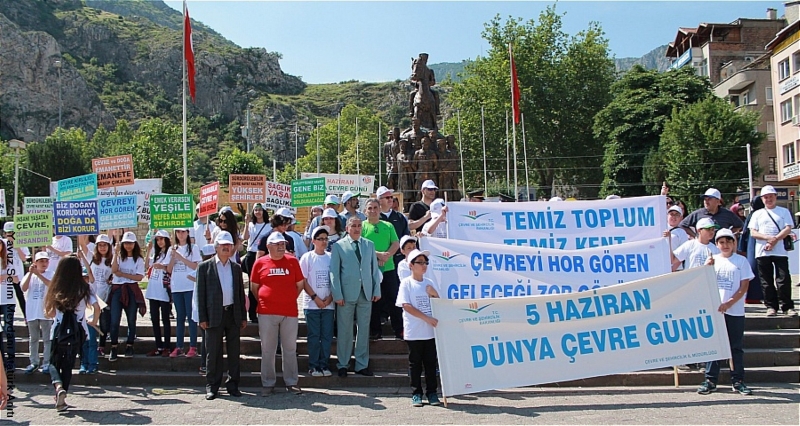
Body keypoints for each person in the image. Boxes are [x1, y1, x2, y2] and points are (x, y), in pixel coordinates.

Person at [698, 228, 754, 396]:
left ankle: (738, 380)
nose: (725, 245)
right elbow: (703, 283)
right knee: (714, 345)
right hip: (716, 310)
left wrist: (730, 302)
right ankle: (710, 380)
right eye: (721, 242)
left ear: (733, 243)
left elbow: (744, 286)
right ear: (717, 244)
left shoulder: (741, 261)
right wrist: (706, 268)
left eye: (728, 241)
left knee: (735, 347)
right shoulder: (712, 260)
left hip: (734, 310)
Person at [250, 232, 305, 396]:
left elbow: (300, 284)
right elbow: (254, 287)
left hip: (289, 312)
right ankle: (268, 383)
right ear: (268, 246)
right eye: (277, 244)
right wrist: (265, 300)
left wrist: (288, 299)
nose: (282, 246)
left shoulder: (293, 261)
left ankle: (292, 382)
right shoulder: (260, 263)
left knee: (290, 348)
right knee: (268, 349)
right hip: (267, 313)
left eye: (283, 244)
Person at [44, 256, 100, 411]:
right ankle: (62, 397)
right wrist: (93, 322)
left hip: (58, 331)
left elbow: (49, 313)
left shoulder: (56, 287)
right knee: (68, 365)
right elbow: (97, 308)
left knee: (53, 362)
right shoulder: (85, 288)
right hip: (78, 331)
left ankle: (58, 387)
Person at [196, 231, 247, 400]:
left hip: (232, 314)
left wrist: (243, 317)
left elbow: (240, 293)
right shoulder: (204, 267)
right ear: (216, 247)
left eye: (229, 245)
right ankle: (212, 386)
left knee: (234, 352)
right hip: (213, 315)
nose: (226, 248)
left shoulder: (236, 268)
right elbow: (200, 294)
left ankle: (233, 385)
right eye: (223, 245)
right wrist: (202, 317)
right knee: (213, 353)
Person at [330, 217, 382, 377]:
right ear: (347, 228)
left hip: (365, 293)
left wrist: (376, 290)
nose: (357, 228)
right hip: (346, 294)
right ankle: (343, 364)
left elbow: (373, 270)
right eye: (353, 226)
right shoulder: (338, 246)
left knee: (364, 330)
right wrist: (337, 294)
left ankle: (361, 364)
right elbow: (334, 272)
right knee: (345, 330)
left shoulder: (369, 245)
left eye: (359, 226)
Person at [396, 248, 441, 407]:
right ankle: (416, 393)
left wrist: (434, 293)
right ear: (411, 265)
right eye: (420, 262)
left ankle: (432, 392)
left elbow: (439, 303)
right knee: (415, 364)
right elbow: (406, 306)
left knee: (430, 363)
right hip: (414, 331)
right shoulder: (406, 284)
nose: (424, 265)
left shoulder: (429, 283)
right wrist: (426, 318)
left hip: (430, 332)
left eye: (425, 262)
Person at [747, 185, 796, 317]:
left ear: (775, 197)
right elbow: (753, 232)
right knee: (766, 280)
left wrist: (775, 240)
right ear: (762, 199)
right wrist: (768, 239)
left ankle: (787, 306)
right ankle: (771, 306)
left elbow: (788, 228)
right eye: (766, 197)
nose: (768, 199)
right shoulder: (757, 214)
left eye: (771, 196)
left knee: (783, 278)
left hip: (780, 251)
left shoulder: (784, 211)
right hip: (763, 251)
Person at [362, 199, 401, 340]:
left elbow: (396, 243)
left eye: (375, 208)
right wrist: (378, 255)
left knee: (394, 300)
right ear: (365, 211)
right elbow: (360, 246)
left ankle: (399, 330)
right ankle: (375, 331)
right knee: (374, 302)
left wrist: (387, 256)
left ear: (380, 209)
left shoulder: (388, 225)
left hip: (389, 268)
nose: (373, 210)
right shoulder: (361, 226)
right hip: (370, 271)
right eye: (370, 208)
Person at [300, 226, 335, 378]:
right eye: (320, 239)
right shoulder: (307, 257)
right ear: (313, 241)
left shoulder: (331, 257)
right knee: (314, 335)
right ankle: (313, 365)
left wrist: (329, 298)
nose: (323, 242)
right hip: (311, 304)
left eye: (326, 239)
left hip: (329, 304)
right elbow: (303, 280)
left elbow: (336, 280)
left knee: (327, 335)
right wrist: (315, 298)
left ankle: (324, 364)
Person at [108, 231, 146, 362]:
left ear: (134, 244)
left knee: (131, 319)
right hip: (117, 289)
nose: (128, 246)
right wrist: (115, 253)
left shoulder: (139, 259)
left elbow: (139, 276)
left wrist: (123, 275)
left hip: (131, 290)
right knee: (114, 320)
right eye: (126, 243)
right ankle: (114, 346)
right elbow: (114, 270)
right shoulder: (118, 256)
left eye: (130, 243)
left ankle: (130, 344)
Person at [79, 234, 113, 373]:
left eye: (105, 245)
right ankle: (84, 363)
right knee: (84, 338)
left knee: (96, 333)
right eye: (100, 245)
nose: (102, 247)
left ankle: (93, 362)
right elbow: (82, 246)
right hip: (85, 304)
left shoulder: (111, 260)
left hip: (102, 297)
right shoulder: (91, 260)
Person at [168, 228, 202, 357]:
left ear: (188, 233)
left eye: (183, 231)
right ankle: (179, 346)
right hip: (177, 287)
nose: (180, 234)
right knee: (180, 317)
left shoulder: (193, 247)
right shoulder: (173, 249)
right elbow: (169, 269)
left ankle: (193, 346)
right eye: (178, 232)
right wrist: (172, 257)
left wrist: (180, 257)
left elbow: (196, 266)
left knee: (191, 316)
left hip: (189, 286)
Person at [21, 252, 53, 375]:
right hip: (32, 311)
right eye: (41, 261)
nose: (44, 264)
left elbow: (51, 285)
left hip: (46, 311)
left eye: (46, 261)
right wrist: (30, 273)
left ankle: (47, 362)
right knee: (33, 338)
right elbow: (23, 288)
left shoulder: (51, 274)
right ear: (36, 262)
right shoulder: (30, 274)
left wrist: (38, 274)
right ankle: (34, 361)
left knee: (47, 339)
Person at [144, 230, 173, 357]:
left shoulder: (171, 252)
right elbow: (146, 266)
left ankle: (167, 346)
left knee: (165, 319)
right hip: (153, 290)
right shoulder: (156, 253)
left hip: (163, 290)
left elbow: (169, 268)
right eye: (158, 239)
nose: (160, 242)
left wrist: (162, 267)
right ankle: (159, 346)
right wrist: (149, 250)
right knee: (154, 320)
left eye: (162, 239)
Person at [190, 244, 217, 376]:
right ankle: (204, 364)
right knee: (207, 339)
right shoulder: (204, 268)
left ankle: (206, 364)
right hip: (203, 311)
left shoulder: (201, 267)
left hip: (204, 310)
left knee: (207, 339)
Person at [242, 203, 271, 323]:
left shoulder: (269, 226)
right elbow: (245, 237)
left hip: (264, 254)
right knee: (253, 283)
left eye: (260, 210)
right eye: (256, 210)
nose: (258, 212)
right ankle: (252, 313)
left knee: (265, 283)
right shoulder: (250, 224)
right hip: (252, 254)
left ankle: (265, 310)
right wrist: (246, 223)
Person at [739, 196, 765, 303]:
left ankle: (753, 296)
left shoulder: (752, 215)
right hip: (760, 244)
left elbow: (745, 232)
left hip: (751, 244)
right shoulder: (763, 214)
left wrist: (742, 247)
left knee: (754, 268)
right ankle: (756, 295)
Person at [0, 239, 22, 372]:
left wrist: (5, 276)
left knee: (9, 329)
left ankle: (11, 360)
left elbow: (17, 279)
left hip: (8, 300)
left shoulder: (8, 262)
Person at [4, 222, 29, 319]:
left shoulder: (21, 243)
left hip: (17, 275)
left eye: (13, 233)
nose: (11, 235)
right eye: (9, 233)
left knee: (20, 296)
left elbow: (25, 258)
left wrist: (17, 247)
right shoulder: (2, 243)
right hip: (5, 275)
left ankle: (27, 317)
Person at [664, 205, 690, 271]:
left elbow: (683, 253)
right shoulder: (661, 229)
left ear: (681, 218)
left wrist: (672, 269)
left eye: (677, 215)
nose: (674, 217)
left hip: (675, 269)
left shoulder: (682, 233)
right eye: (671, 214)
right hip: (661, 266)